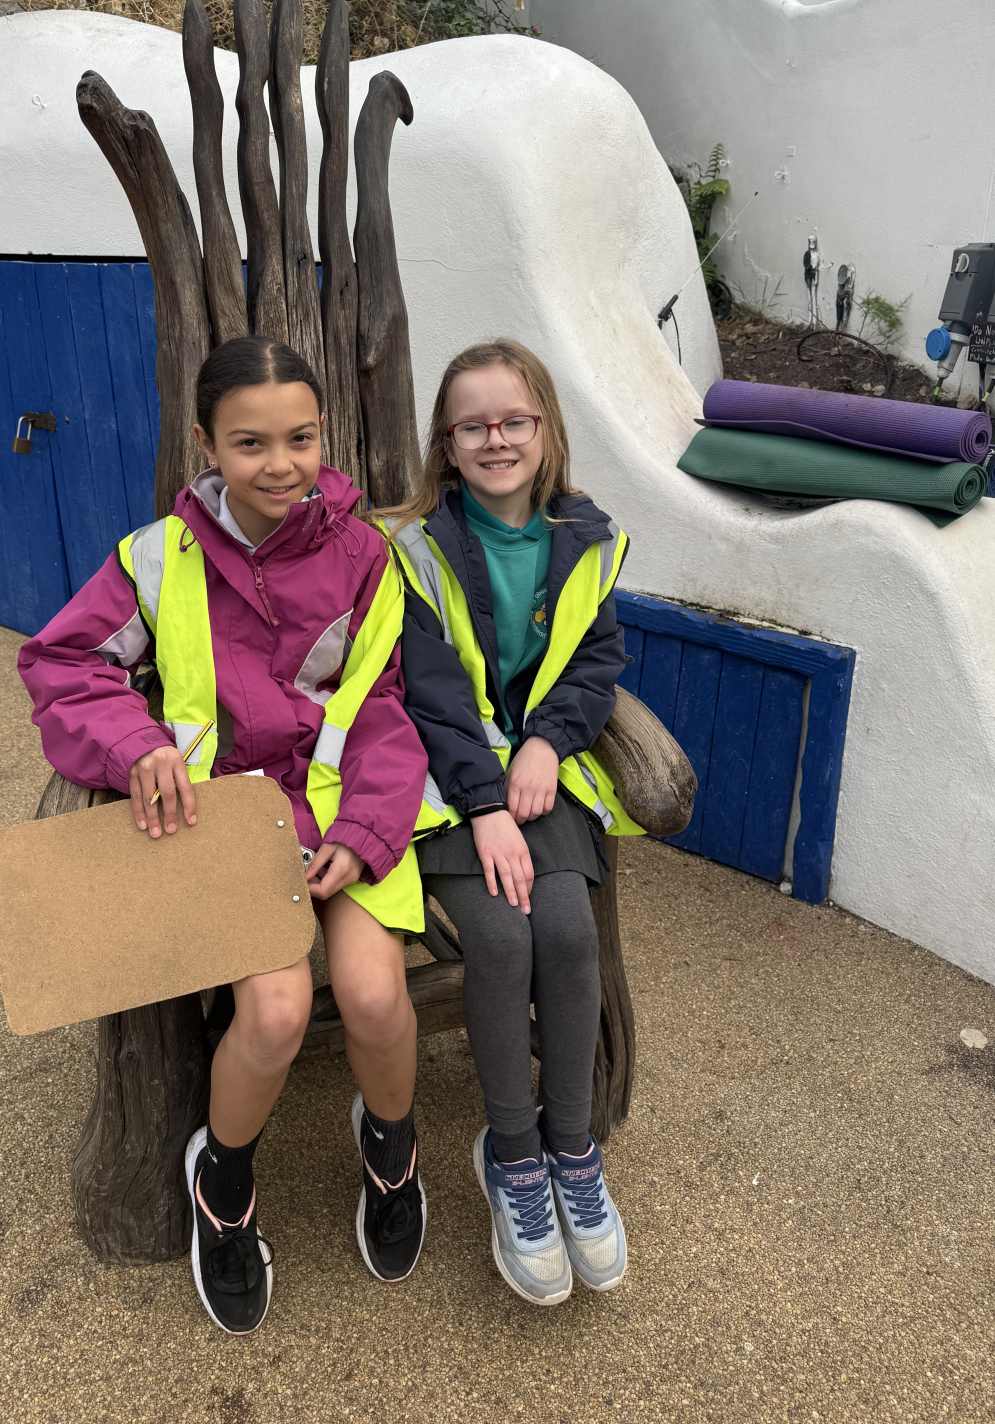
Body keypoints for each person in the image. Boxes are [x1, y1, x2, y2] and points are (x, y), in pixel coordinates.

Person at [18, 336, 429, 1335]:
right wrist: (135, 744)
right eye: (250, 443)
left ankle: (392, 1151)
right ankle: (224, 1182)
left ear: (323, 434)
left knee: (377, 996)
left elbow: (381, 706)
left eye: (301, 438)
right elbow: (63, 665)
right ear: (205, 443)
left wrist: (366, 831)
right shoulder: (156, 557)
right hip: (227, 826)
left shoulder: (365, 556)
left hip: (346, 814)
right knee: (278, 1013)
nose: (280, 464)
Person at [382, 338, 639, 1306]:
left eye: (514, 421)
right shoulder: (418, 550)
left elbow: (595, 663)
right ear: (446, 444)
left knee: (566, 933)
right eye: (473, 425)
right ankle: (514, 1155)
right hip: (447, 780)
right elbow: (428, 691)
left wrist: (548, 745)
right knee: (498, 935)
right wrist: (485, 802)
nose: (496, 439)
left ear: (545, 430)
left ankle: (572, 1148)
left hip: (543, 775)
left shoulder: (587, 540)